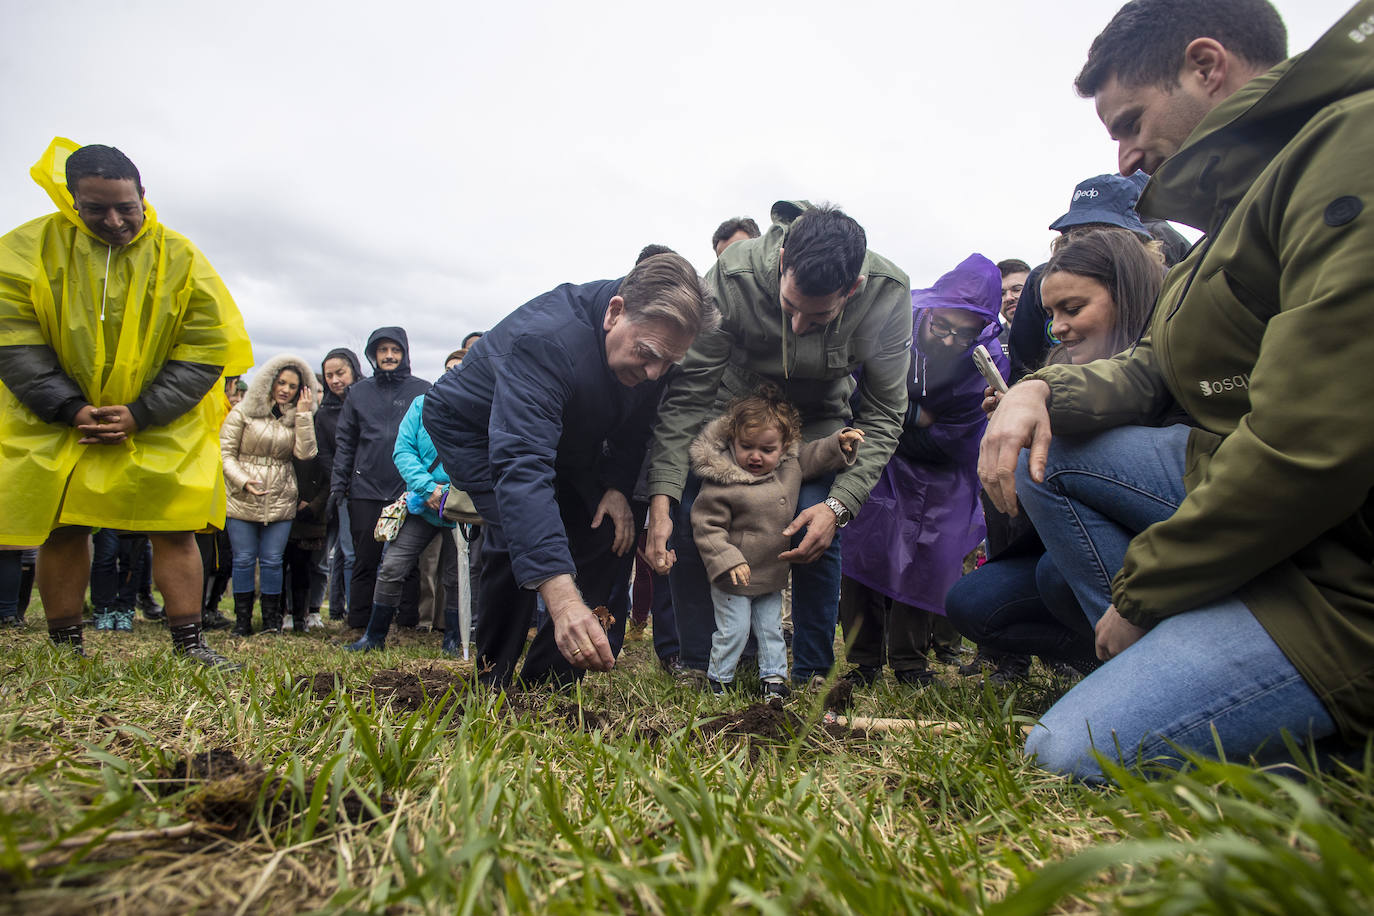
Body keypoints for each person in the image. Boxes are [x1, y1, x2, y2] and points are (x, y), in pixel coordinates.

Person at [980, 0, 1374, 780]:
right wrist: (1041, 392)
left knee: (1067, 759)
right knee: (1047, 454)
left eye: (1130, 122)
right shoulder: (1225, 225)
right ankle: (1170, 681)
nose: (1124, 157)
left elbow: (1313, 438)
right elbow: (1151, 366)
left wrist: (1148, 591)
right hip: (1267, 531)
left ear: (1205, 65)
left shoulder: (1348, 144)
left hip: (1342, 576)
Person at [0, 139, 252, 665]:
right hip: (59, 419)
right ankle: (66, 645)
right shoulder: (28, 249)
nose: (114, 221)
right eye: (95, 209)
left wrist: (141, 412)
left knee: (175, 522)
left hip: (160, 418)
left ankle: (190, 641)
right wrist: (69, 407)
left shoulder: (180, 257)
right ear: (72, 202)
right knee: (63, 523)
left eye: (126, 207)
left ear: (143, 195)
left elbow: (208, 345)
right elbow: (12, 337)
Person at [647, 202, 912, 687]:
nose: (797, 328)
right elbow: (687, 397)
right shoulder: (733, 276)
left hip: (816, 426)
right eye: (789, 308)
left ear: (851, 290)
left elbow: (885, 412)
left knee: (811, 525)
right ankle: (699, 660)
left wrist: (839, 504)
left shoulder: (887, 295)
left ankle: (812, 670)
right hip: (734, 418)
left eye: (818, 318)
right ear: (783, 258)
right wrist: (662, 499)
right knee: (690, 517)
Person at [423, 252, 717, 688]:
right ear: (615, 313)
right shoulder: (547, 342)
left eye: (669, 363)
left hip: (570, 436)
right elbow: (521, 467)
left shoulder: (648, 352)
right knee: (515, 529)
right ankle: (493, 674)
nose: (656, 373)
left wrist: (616, 485)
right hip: (479, 432)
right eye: (649, 355)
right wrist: (562, 601)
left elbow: (636, 426)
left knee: (607, 529)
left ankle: (546, 684)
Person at [947, 230, 1165, 680]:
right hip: (1075, 554)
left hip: (1161, 553)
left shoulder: (1167, 361)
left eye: (1074, 309)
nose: (1058, 327)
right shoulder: (1059, 368)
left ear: (1127, 299)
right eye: (1050, 314)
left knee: (1055, 576)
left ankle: (1144, 670)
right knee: (972, 603)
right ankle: (1090, 655)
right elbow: (1034, 512)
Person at [837, 254, 1005, 687]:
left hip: (944, 472)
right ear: (928, 312)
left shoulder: (990, 355)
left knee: (929, 557)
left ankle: (911, 663)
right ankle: (863, 662)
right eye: (942, 328)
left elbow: (961, 432)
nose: (950, 341)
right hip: (878, 460)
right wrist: (912, 415)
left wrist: (893, 420)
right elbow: (858, 392)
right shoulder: (893, 325)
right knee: (865, 549)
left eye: (962, 334)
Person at [691, 388, 861, 696]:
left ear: (783, 448)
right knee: (734, 630)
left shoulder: (787, 468)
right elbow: (707, 526)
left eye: (767, 449)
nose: (756, 456)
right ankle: (718, 679)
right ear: (732, 441)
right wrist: (728, 559)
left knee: (772, 630)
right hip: (734, 578)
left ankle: (774, 679)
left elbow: (813, 456)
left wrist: (838, 445)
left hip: (770, 573)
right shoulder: (722, 481)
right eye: (747, 446)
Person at [346, 353, 466, 655]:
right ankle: (374, 637)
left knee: (456, 577)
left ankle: (454, 638)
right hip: (422, 505)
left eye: (461, 370)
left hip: (461, 507)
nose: (453, 375)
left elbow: (480, 457)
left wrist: (451, 492)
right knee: (392, 566)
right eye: (449, 370)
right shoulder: (421, 406)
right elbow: (403, 450)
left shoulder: (478, 410)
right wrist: (428, 488)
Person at [329, 329, 430, 629]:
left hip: (407, 487)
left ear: (405, 353)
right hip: (365, 487)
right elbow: (345, 442)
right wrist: (339, 485)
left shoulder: (422, 390)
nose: (389, 355)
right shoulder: (358, 393)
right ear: (373, 355)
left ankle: (407, 621)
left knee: (407, 559)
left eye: (395, 350)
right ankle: (359, 621)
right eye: (382, 350)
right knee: (364, 558)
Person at [220, 354, 319, 635]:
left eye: (292, 385)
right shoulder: (243, 412)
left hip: (281, 495)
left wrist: (303, 415)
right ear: (270, 382)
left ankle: (272, 622)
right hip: (243, 495)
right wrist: (242, 480)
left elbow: (306, 453)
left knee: (273, 560)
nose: (285, 389)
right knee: (243, 558)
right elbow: (225, 453)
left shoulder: (297, 417)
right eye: (281, 382)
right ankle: (242, 621)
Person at [316, 347, 363, 620]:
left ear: (354, 371)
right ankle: (346, 612)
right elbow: (325, 454)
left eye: (340, 373)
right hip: (344, 488)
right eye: (329, 375)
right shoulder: (324, 414)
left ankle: (356, 608)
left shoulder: (366, 401)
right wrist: (339, 481)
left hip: (372, 484)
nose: (335, 380)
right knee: (346, 551)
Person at [997, 258, 1031, 346]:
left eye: (1016, 289)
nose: (1009, 298)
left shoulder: (1055, 334)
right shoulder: (989, 343)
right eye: (1002, 293)